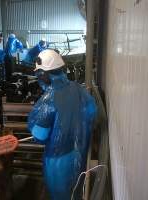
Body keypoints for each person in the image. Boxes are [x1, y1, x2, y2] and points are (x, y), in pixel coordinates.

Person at [27, 50, 97, 200]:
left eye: (39, 73)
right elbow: (92, 112)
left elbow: (40, 136)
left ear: (44, 74)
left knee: (61, 195)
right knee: (77, 190)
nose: (38, 76)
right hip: (81, 151)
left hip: (59, 161)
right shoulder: (78, 89)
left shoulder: (47, 101)